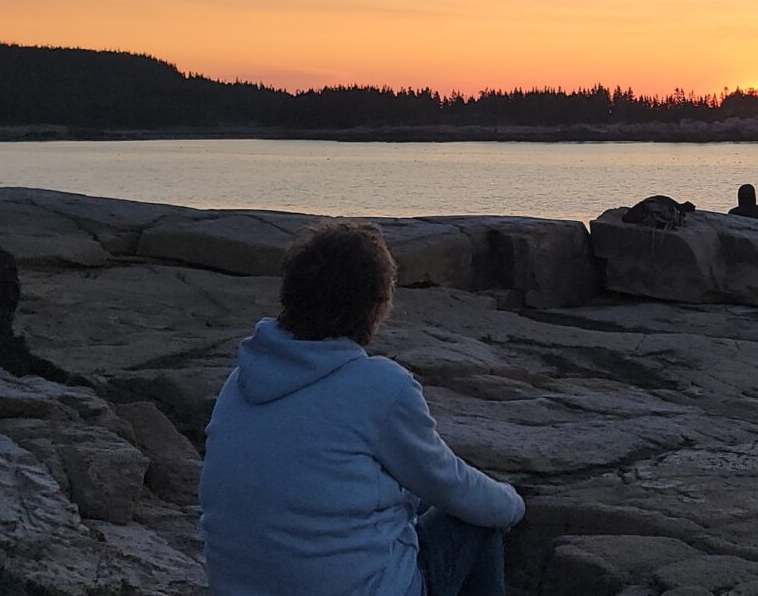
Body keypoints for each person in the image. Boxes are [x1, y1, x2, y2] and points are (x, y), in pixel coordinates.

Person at [201, 221, 523, 596]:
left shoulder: (240, 381)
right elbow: (454, 488)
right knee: (479, 520)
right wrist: (513, 503)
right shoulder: (381, 386)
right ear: (375, 307)